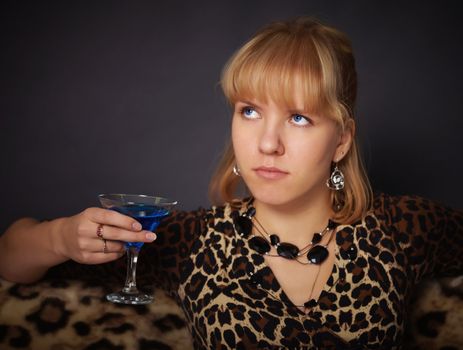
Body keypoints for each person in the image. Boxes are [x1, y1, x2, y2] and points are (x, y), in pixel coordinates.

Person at [1, 16, 462, 349]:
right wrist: (62, 235)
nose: (267, 143)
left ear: (341, 140)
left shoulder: (403, 227)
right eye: (250, 111)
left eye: (299, 117)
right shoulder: (194, 241)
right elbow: (10, 259)